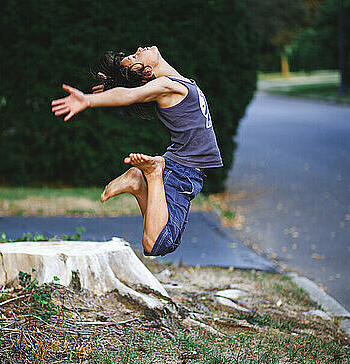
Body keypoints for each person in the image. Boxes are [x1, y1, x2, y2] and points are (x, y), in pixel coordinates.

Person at [51, 46, 223, 257]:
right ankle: (151, 174)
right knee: (157, 244)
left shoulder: (177, 81)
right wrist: (89, 100)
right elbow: (130, 94)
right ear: (147, 73)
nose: (139, 49)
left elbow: (129, 90)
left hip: (185, 171)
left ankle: (137, 182)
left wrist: (111, 86)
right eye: (135, 56)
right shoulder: (166, 86)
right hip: (180, 172)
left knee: (163, 236)